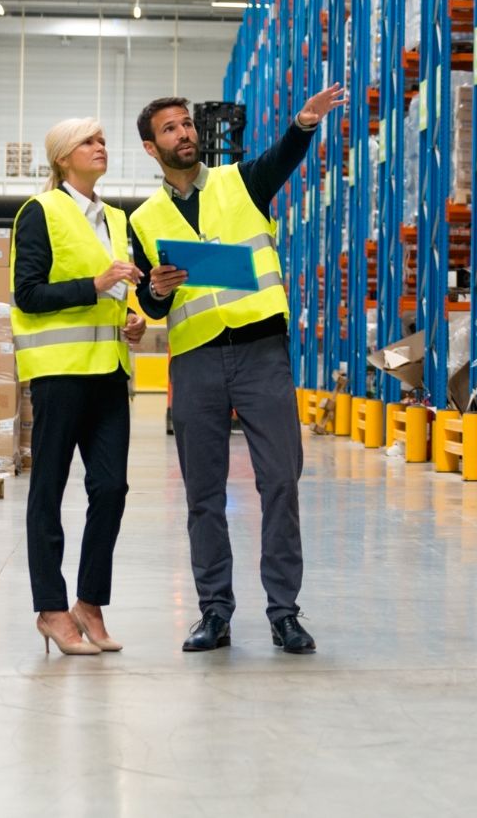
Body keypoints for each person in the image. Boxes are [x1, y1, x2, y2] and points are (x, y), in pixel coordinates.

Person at [128, 85, 344, 655]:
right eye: (170, 129)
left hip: (260, 351)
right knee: (203, 492)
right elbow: (151, 305)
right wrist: (155, 288)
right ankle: (215, 613)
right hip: (196, 359)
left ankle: (284, 613)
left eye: (186, 125)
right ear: (152, 148)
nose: (184, 134)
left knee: (280, 480)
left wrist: (302, 125)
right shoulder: (143, 219)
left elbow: (282, 158)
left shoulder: (238, 182)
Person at [12, 117, 146, 656]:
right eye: (89, 142)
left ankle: (88, 606)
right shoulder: (40, 211)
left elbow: (118, 296)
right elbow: (28, 294)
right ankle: (50, 609)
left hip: (110, 370)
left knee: (111, 489)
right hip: (60, 372)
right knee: (48, 489)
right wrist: (97, 284)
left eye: (103, 141)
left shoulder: (115, 217)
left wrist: (130, 320)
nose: (101, 148)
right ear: (63, 157)